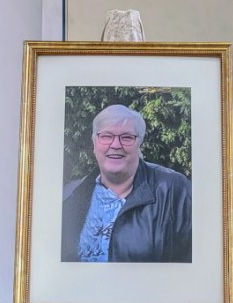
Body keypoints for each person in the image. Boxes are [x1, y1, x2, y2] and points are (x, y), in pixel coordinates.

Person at [61, 103, 192, 263]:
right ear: (94, 144)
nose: (116, 145)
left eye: (127, 137)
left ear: (139, 144)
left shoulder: (174, 190)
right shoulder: (71, 195)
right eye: (106, 136)